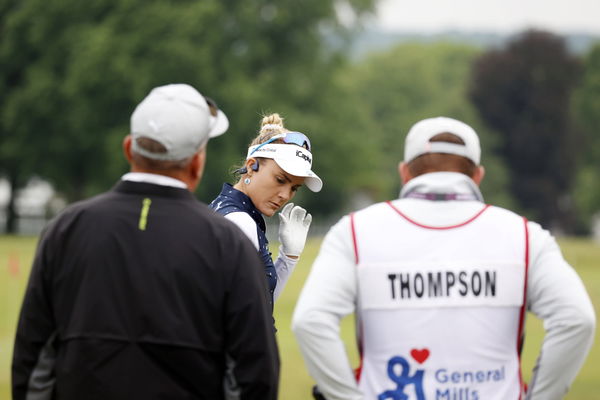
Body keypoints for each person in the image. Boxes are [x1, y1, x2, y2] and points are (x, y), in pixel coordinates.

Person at [292, 116, 595, 400]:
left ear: (404, 172)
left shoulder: (354, 231)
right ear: (478, 175)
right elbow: (577, 320)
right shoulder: (526, 235)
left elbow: (310, 321)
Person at [12, 83, 279, 400]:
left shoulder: (65, 229)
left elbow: (34, 361)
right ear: (197, 162)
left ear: (128, 149)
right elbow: (254, 373)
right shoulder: (228, 242)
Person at [210, 113, 322, 307]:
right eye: (280, 180)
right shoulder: (241, 222)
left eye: (294, 188)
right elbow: (254, 313)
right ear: (251, 166)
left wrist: (288, 257)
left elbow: (260, 301)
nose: (285, 195)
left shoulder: (226, 210)